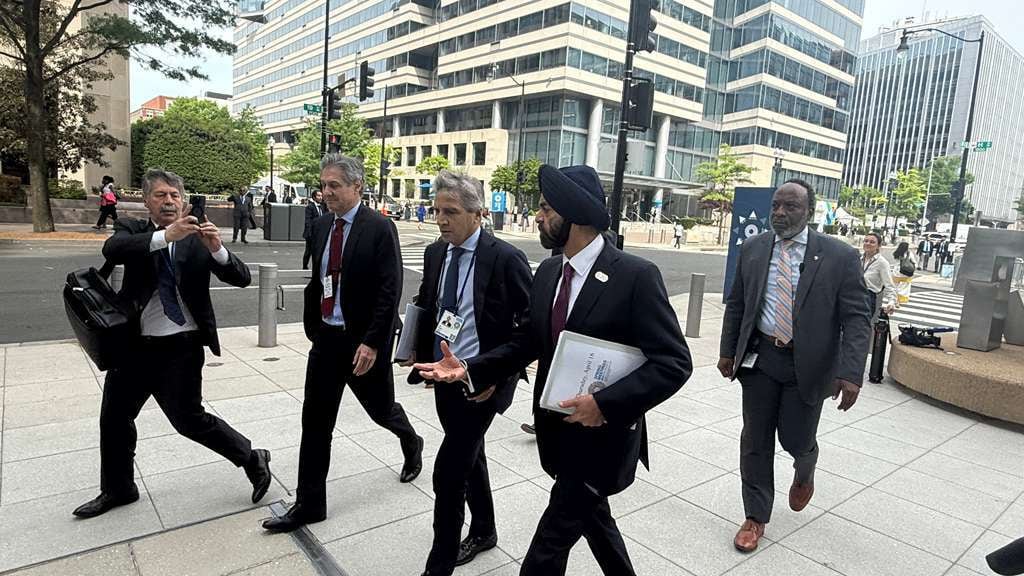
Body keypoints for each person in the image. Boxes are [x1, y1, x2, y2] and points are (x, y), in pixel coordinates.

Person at [414, 164, 692, 576]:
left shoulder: (634, 276)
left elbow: (674, 362)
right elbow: (526, 342)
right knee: (595, 521)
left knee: (545, 553)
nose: (538, 216)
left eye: (546, 208)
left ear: (575, 214)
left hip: (603, 438)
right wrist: (471, 370)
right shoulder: (547, 271)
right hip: (559, 433)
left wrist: (604, 403)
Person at [73, 169, 272, 519]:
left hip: (181, 347)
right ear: (147, 200)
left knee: (189, 420)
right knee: (115, 418)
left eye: (174, 195)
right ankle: (119, 489)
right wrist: (165, 236)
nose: (169, 201)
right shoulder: (135, 230)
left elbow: (240, 278)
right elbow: (113, 248)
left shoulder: (198, 236)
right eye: (161, 195)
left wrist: (219, 250)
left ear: (183, 200)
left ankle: (251, 457)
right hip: (134, 346)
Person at [263, 154, 422, 533]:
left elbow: (390, 290)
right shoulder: (320, 226)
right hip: (327, 338)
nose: (326, 191)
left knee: (380, 409)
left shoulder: (380, 228)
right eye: (324, 184)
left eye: (335, 185)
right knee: (315, 422)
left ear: (356, 187)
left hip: (364, 342)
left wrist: (371, 343)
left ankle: (410, 439)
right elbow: (319, 279)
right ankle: (309, 503)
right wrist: (314, 327)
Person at [718, 179, 871, 553]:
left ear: (810, 212)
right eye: (776, 206)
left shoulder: (838, 256)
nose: (781, 214)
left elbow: (857, 318)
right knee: (755, 440)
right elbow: (737, 304)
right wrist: (727, 351)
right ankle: (755, 516)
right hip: (760, 358)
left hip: (810, 364)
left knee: (796, 439)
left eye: (791, 207)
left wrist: (851, 372)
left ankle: (806, 466)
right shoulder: (754, 248)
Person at [404, 171, 532, 576]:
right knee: (470, 454)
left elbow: (531, 331)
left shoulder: (506, 259)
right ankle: (485, 530)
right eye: (437, 210)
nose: (441, 220)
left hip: (480, 383)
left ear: (478, 214)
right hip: (443, 375)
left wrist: (493, 375)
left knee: (448, 471)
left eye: (451, 212)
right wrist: (412, 348)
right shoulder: (436, 252)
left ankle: (438, 565)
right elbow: (428, 302)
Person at [861, 232, 897, 322]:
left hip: (867, 299)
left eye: (872, 242)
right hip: (851, 296)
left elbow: (889, 285)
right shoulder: (858, 258)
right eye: (866, 241)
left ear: (878, 246)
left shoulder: (882, 263)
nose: (868, 243)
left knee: (859, 330)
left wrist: (891, 302)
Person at [302, 189, 325, 270]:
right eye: (318, 196)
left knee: (317, 252)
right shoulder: (310, 207)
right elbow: (308, 221)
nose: (320, 197)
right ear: (314, 197)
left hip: (319, 233)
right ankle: (305, 266)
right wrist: (310, 232)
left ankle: (316, 268)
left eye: (321, 196)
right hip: (311, 233)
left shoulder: (322, 206)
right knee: (309, 251)